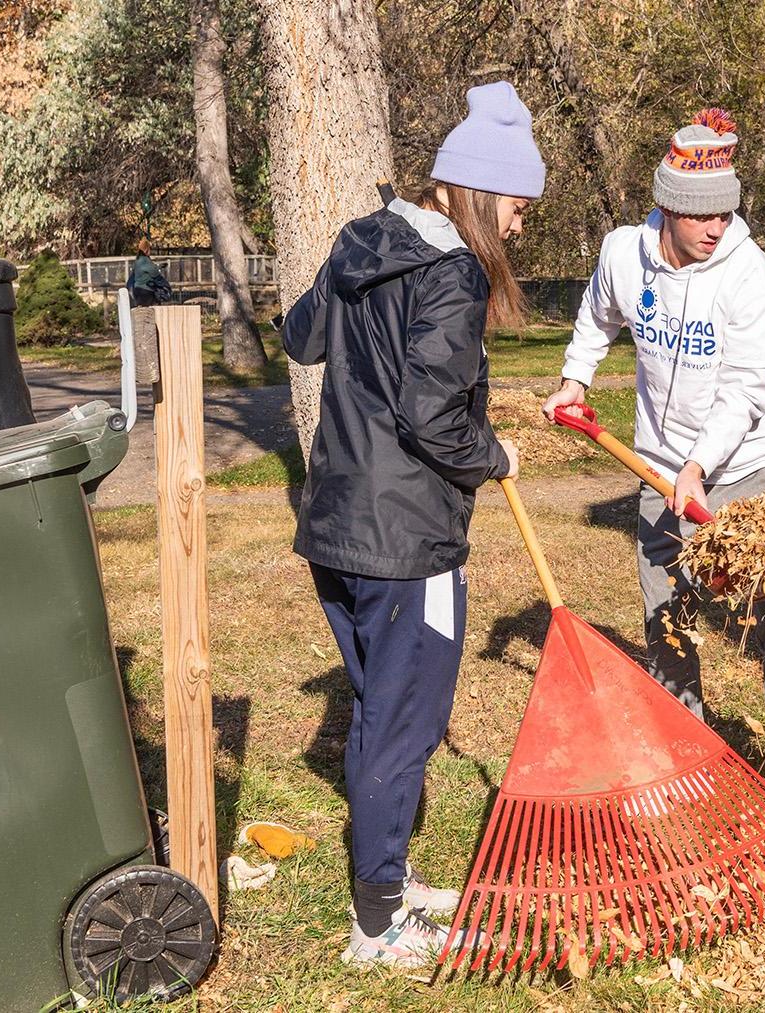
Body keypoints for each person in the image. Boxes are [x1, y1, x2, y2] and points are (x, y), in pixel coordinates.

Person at [281, 81, 541, 967]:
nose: (518, 224)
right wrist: (494, 455)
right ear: (476, 191)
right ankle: (379, 926)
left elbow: (300, 336)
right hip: (407, 541)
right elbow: (435, 417)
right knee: (405, 724)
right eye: (514, 203)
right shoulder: (455, 273)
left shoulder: (364, 237)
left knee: (378, 711)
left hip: (336, 525)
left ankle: (384, 878)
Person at [541, 108, 765, 809]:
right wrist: (576, 378)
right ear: (667, 207)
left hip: (756, 465)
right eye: (702, 217)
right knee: (666, 614)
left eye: (726, 216)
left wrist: (700, 464)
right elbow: (596, 317)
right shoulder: (620, 254)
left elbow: (749, 386)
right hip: (660, 467)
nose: (716, 229)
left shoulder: (751, 276)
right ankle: (690, 751)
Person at [127, 239, 173, 307]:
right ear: (146, 250)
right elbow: (155, 274)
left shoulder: (138, 260)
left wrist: (158, 267)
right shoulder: (145, 260)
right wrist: (166, 286)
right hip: (146, 291)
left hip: (137, 290)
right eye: (150, 249)